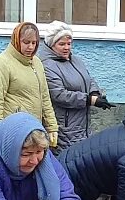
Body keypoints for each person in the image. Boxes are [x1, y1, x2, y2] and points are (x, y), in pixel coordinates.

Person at [38, 21, 113, 150]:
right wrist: (89, 100)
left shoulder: (76, 60)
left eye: (69, 43)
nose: (66, 47)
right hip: (65, 126)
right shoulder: (46, 65)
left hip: (83, 124)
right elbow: (59, 95)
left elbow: (88, 79)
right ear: (51, 45)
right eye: (61, 44)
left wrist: (95, 93)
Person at [0, 22, 58, 146]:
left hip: (35, 128)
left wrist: (52, 126)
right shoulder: (1, 63)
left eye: (34, 43)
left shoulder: (36, 62)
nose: (31, 47)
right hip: (13, 131)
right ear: (16, 40)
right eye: (26, 42)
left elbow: (45, 96)